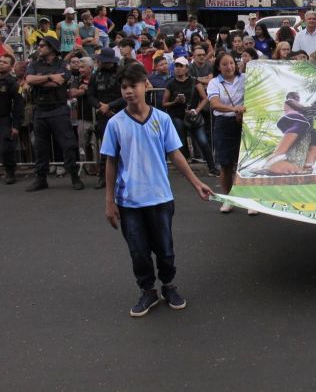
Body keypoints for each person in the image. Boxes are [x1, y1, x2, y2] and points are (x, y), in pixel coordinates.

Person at [101, 62, 213, 317]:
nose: (129, 91)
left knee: (165, 248)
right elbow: (110, 162)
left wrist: (197, 183)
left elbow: (176, 154)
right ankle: (147, 290)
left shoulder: (162, 119)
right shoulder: (115, 124)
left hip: (161, 197)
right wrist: (109, 202)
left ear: (146, 86)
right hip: (129, 201)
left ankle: (168, 285)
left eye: (134, 86)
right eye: (124, 87)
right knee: (138, 251)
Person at [24, 36, 84, 191]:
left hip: (58, 109)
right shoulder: (34, 64)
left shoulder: (62, 65)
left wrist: (41, 81)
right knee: (40, 147)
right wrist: (49, 77)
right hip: (40, 110)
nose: (39, 47)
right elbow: (29, 79)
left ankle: (74, 176)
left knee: (67, 145)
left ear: (51, 48)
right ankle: (41, 179)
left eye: (43, 45)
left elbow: (60, 82)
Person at [162, 57, 216, 177]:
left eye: (181, 66)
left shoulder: (194, 82)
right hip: (177, 116)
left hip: (193, 117)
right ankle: (185, 170)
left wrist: (196, 110)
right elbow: (164, 103)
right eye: (176, 66)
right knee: (181, 143)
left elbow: (204, 98)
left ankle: (212, 168)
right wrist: (175, 101)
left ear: (187, 68)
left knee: (203, 141)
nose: (178, 69)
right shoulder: (170, 83)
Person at [207, 53, 246, 213]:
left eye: (231, 63)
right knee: (226, 164)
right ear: (218, 67)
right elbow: (214, 104)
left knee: (245, 164)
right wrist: (233, 109)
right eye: (225, 64)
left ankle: (249, 200)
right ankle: (228, 198)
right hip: (224, 124)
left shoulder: (244, 78)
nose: (229, 66)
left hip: (244, 123)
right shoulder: (214, 83)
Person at [87, 47, 127, 188]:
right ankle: (103, 177)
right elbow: (90, 95)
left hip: (122, 113)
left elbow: (127, 94)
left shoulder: (121, 73)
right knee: (106, 147)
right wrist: (101, 107)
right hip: (103, 115)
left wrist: (109, 106)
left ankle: (125, 175)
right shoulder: (95, 74)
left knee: (125, 146)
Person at [0, 54, 24, 184]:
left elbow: (19, 106)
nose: (1, 63)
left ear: (11, 66)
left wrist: (16, 125)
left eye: (5, 62)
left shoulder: (13, 83)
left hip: (5, 119)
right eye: (0, 61)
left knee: (6, 148)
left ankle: (10, 172)